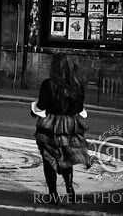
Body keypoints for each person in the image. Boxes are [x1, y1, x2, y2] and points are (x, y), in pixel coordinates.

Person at [31, 53, 92, 198]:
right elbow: (79, 108)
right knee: (67, 157)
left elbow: (41, 106)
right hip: (71, 124)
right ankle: (69, 186)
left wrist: (33, 110)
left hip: (51, 125)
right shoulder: (77, 85)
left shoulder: (48, 84)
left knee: (49, 158)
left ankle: (53, 193)